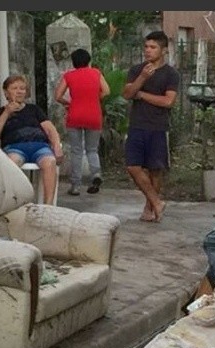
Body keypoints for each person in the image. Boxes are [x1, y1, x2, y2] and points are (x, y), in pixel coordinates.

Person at [121, 30, 179, 223]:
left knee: (155, 169)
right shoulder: (137, 70)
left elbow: (168, 101)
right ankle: (156, 201)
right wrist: (142, 79)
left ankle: (149, 208)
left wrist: (143, 95)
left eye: (153, 47)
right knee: (133, 166)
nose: (148, 51)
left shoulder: (171, 74)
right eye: (146, 47)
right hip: (137, 124)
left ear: (163, 50)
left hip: (158, 126)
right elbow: (127, 94)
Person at [0, 74, 64, 205]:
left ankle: (48, 207)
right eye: (14, 88)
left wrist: (56, 145)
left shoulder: (34, 109)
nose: (19, 91)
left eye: (22, 88)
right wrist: (6, 113)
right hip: (15, 148)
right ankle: (16, 204)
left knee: (50, 162)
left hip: (40, 147)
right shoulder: (0, 112)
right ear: (6, 92)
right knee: (11, 163)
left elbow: (50, 129)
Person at [54, 48, 111, 196]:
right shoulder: (96, 73)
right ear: (88, 60)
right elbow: (106, 91)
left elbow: (58, 96)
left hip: (75, 115)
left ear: (73, 62)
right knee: (92, 149)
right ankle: (96, 175)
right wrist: (93, 98)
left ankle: (75, 186)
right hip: (93, 115)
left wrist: (68, 103)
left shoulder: (69, 75)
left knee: (77, 151)